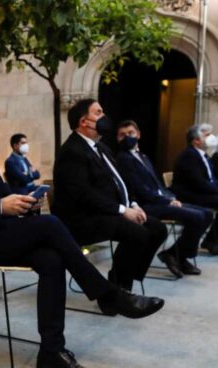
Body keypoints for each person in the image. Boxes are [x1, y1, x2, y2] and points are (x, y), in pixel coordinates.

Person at [0, 91, 164, 368]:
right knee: (50, 224)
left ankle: (52, 351)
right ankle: (109, 294)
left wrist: (25, 203)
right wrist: (1, 207)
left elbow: (2, 195)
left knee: (51, 259)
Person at [52, 99, 168, 292]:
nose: (104, 117)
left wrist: (133, 203)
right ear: (83, 121)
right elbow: (83, 194)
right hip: (82, 219)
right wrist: (122, 211)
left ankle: (123, 279)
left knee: (157, 229)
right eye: (98, 113)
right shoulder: (72, 151)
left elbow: (121, 181)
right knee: (136, 233)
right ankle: (116, 292)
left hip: (104, 212)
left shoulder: (102, 147)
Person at [115, 120, 213, 277]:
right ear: (117, 139)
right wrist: (167, 201)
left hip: (159, 201)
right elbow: (140, 190)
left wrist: (171, 197)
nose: (127, 137)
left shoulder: (143, 156)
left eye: (130, 133)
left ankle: (176, 254)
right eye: (122, 135)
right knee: (197, 216)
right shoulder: (123, 159)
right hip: (144, 205)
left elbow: (157, 185)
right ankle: (177, 256)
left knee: (207, 213)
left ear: (138, 134)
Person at [171, 124, 218, 256]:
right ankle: (212, 242)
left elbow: (211, 178)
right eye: (206, 135)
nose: (211, 138)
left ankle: (212, 241)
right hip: (189, 195)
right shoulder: (189, 155)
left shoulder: (203, 155)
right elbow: (198, 182)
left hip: (199, 192)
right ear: (196, 140)